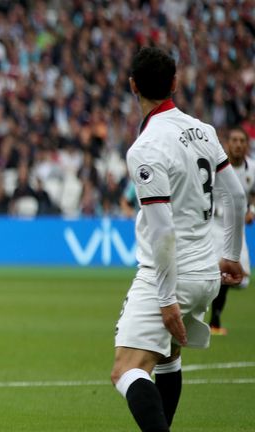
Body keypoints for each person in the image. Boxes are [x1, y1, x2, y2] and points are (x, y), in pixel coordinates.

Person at [110, 47, 246, 432]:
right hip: (206, 272)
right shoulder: (204, 131)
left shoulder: (146, 148)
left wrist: (166, 298)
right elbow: (235, 196)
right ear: (174, 83)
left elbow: (163, 230)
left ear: (133, 86)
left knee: (126, 370)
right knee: (167, 357)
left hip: (170, 275)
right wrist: (231, 254)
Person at [209, 127, 255, 335]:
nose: (237, 144)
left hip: (236, 229)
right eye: (234, 140)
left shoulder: (252, 169)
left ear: (246, 145)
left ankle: (212, 314)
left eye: (241, 141)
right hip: (215, 226)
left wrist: (251, 210)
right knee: (220, 272)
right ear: (227, 144)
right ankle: (214, 321)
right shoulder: (215, 167)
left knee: (243, 280)